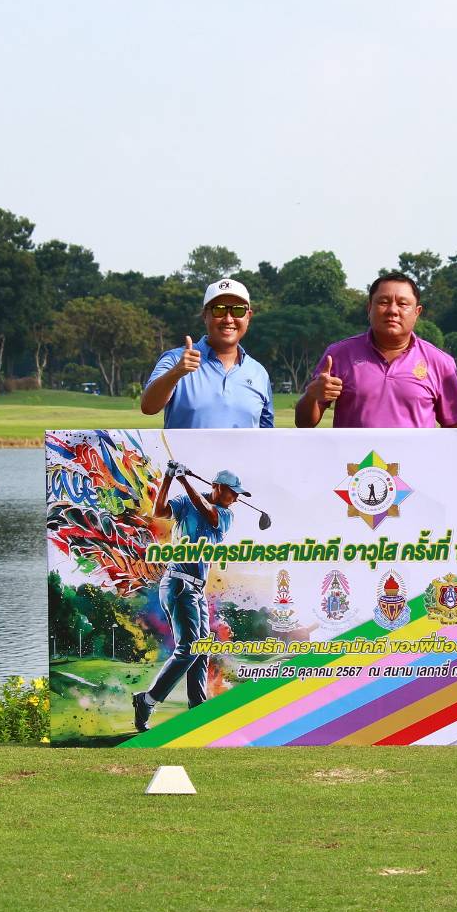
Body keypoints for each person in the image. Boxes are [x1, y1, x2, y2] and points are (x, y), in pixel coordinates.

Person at [131, 462, 244, 732]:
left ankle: (197, 711)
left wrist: (183, 480)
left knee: (201, 648)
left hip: (196, 590)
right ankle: (147, 701)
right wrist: (169, 478)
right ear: (217, 487)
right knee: (190, 648)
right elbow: (159, 511)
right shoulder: (185, 501)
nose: (236, 498)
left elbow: (209, 515)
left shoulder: (225, 515)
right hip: (178, 584)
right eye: (233, 492)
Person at [295, 271, 457, 428]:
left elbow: (455, 431)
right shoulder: (339, 355)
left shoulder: (440, 363)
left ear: (417, 312)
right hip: (356, 452)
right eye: (383, 302)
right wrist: (311, 395)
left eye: (403, 304)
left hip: (415, 452)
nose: (392, 311)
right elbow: (303, 423)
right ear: (369, 309)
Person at [141, 277, 273, 428]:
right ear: (205, 315)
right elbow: (148, 407)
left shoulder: (259, 372)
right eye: (219, 310)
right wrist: (176, 373)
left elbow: (267, 434)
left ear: (248, 317)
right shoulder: (176, 360)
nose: (228, 319)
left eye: (238, 310)